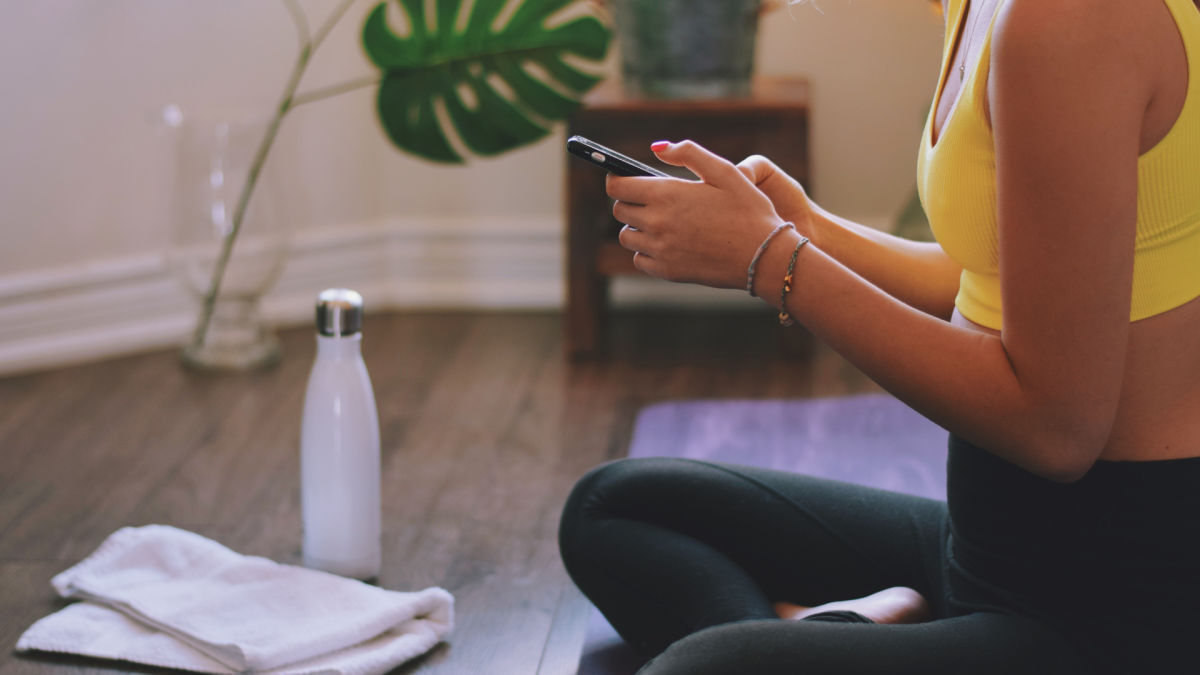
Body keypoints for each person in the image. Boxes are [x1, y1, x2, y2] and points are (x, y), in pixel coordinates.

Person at [557, 0, 1200, 672]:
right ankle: (841, 630)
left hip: (1107, 608)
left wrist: (775, 261)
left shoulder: (1074, 19)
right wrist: (805, 227)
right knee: (613, 508)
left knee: (696, 666)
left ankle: (825, 631)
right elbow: (995, 273)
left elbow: (1056, 427)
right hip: (986, 545)